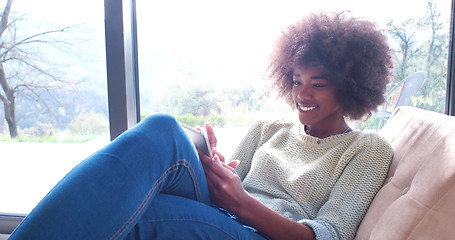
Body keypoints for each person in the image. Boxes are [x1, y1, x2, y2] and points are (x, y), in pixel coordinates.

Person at [9, 12, 394, 240]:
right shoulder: (268, 127)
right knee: (163, 130)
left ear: (350, 87)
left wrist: (240, 202)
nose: (301, 94)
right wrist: (213, 163)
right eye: (296, 80)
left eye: (318, 84)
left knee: (138, 213)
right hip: (225, 213)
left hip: (260, 234)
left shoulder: (367, 149)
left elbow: (328, 235)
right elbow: (231, 179)